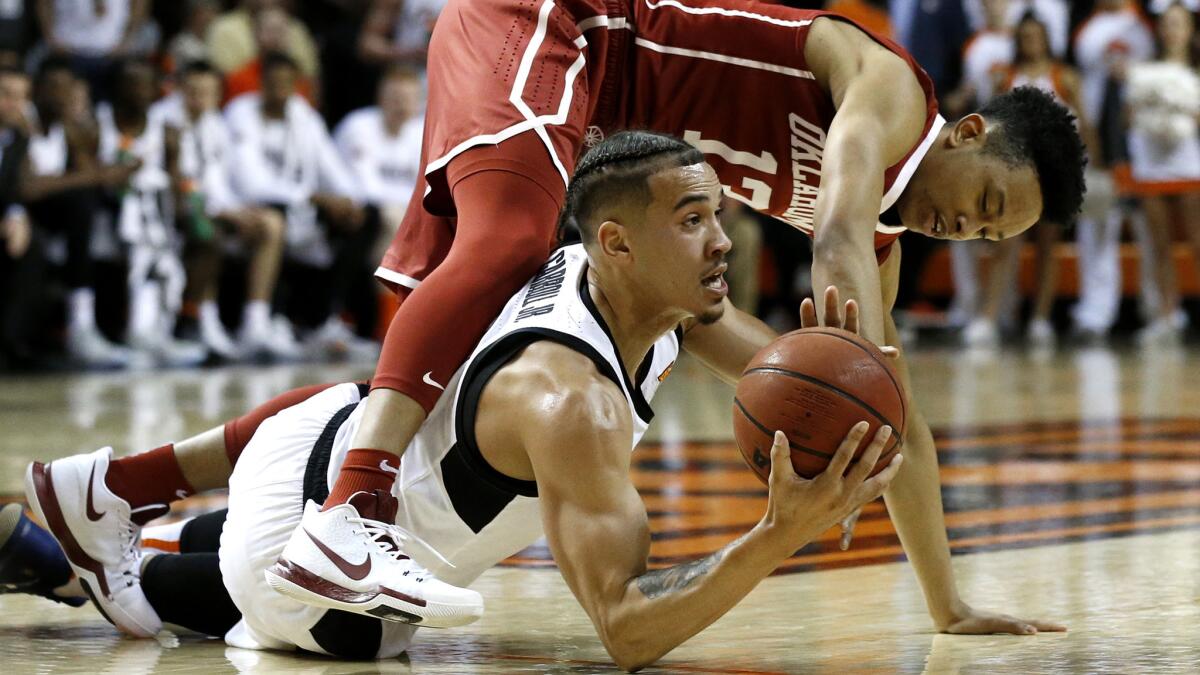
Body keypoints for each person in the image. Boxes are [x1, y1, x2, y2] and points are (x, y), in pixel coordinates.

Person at [31, 0, 1086, 640]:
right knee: (503, 247)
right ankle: (347, 514)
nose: (968, 227)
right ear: (970, 131)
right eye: (988, 202)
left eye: (990, 240)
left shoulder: (886, 240)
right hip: (559, 25)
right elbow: (840, 228)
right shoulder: (894, 91)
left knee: (415, 379)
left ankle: (112, 493)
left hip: (581, 133)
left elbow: (883, 413)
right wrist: (853, 347)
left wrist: (945, 599)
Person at [25, 134, 925, 665]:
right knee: (326, 598)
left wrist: (843, 382)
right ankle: (109, 559)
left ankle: (106, 507)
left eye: (718, 215)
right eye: (693, 220)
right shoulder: (571, 401)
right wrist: (778, 531)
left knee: (362, 400)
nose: (723, 241)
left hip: (310, 458)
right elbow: (627, 628)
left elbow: (781, 375)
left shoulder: (613, 281)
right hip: (328, 590)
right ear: (616, 240)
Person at [224, 52, 377, 356]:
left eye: (286, 84)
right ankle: (258, 324)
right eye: (273, 83)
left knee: (366, 216)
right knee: (276, 211)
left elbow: (331, 167)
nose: (279, 90)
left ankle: (326, 320)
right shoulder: (240, 113)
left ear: (297, 85)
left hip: (301, 214)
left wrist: (349, 201)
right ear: (261, 84)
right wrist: (313, 197)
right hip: (249, 212)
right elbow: (251, 183)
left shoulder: (303, 115)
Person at [960, 12, 1092, 348]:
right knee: (1005, 244)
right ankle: (989, 317)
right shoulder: (1005, 77)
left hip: (1054, 174)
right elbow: (990, 126)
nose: (1031, 42)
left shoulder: (1066, 77)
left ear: (1048, 39)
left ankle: (1040, 320)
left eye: (1037, 35)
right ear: (1017, 40)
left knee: (1049, 247)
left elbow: (1086, 127)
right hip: (1013, 174)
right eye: (1025, 36)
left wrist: (1094, 166)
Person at [152, 60, 293, 360]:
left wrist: (239, 209)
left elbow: (218, 182)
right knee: (209, 231)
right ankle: (204, 319)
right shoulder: (163, 121)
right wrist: (226, 212)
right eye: (193, 91)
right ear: (178, 89)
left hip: (210, 207)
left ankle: (255, 322)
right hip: (169, 211)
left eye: (207, 91)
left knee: (271, 223)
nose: (199, 98)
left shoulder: (214, 123)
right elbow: (180, 184)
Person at [22, 57, 137, 367]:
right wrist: (99, 175)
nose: (60, 96)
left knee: (96, 205)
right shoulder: (24, 120)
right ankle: (78, 323)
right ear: (37, 90)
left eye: (67, 89)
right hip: (19, 208)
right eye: (53, 88)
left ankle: (102, 325)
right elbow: (29, 187)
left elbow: (86, 172)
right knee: (81, 201)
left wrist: (88, 143)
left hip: (53, 214)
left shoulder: (68, 128)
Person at [96, 58, 206, 367]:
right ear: (116, 88)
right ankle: (136, 330)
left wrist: (190, 212)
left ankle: (156, 331)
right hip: (106, 218)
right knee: (141, 254)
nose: (139, 91)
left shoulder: (167, 132)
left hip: (155, 220)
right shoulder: (96, 123)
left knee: (165, 264)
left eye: (145, 84)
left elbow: (177, 183)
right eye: (131, 83)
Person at [1071, 0, 1156, 340]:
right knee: (1097, 223)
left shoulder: (1146, 23)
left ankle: (1157, 309)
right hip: (1095, 135)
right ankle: (1096, 312)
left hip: (1141, 139)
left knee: (1148, 226)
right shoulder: (1083, 26)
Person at [1122, 0, 1200, 345]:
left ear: (1191, 31)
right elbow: (1127, 118)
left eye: (1179, 24)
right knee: (1159, 245)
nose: (1172, 31)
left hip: (1188, 163)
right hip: (1151, 165)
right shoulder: (1143, 72)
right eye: (1167, 24)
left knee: (1198, 243)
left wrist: (1180, 107)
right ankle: (1167, 315)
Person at [333, 65, 423, 264]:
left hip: (401, 210)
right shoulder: (358, 126)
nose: (402, 105)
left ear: (418, 103)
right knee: (394, 220)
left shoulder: (422, 132)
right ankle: (389, 294)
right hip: (355, 210)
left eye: (409, 99)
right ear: (381, 98)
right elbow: (367, 188)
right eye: (396, 98)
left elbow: (425, 188)